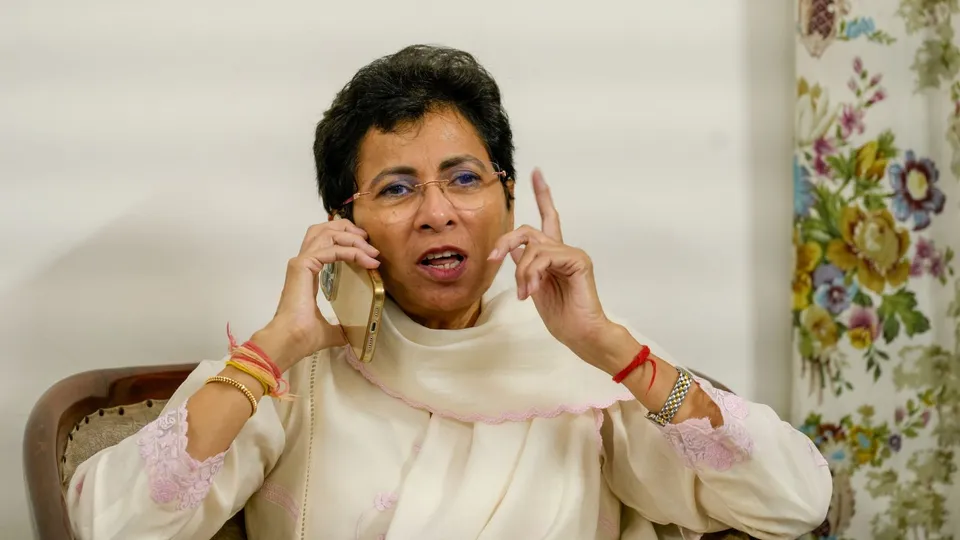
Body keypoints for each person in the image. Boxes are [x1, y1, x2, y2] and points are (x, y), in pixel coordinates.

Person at [66, 45, 831, 540]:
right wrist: (271, 351)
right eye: (397, 188)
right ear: (346, 222)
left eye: (465, 178)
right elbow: (109, 525)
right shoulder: (294, 373)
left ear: (506, 201)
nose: (438, 211)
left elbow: (795, 499)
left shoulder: (592, 375)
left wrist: (608, 346)